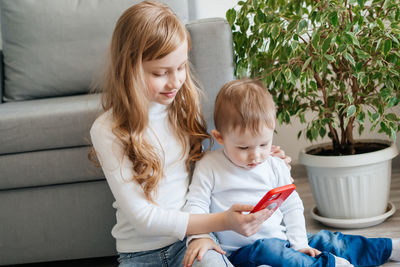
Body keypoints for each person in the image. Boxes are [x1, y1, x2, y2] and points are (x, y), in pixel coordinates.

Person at [89, 2, 291, 266]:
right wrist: (222, 221)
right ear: (129, 69)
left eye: (181, 67)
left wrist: (258, 154)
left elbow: (208, 170)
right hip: (139, 255)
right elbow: (143, 217)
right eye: (161, 73)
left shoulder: (183, 108)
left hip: (194, 239)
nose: (175, 82)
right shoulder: (107, 130)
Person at [183, 78, 400, 267]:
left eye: (263, 144)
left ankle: (388, 248)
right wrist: (200, 237)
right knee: (272, 252)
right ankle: (329, 264)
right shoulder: (209, 165)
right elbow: (195, 205)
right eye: (243, 148)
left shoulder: (274, 165)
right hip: (243, 252)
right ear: (219, 137)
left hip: (283, 238)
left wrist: (300, 244)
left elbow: (292, 205)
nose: (256, 156)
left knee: (329, 241)